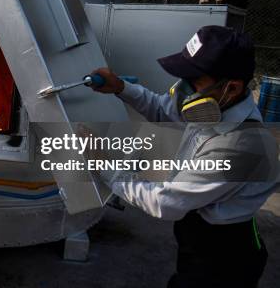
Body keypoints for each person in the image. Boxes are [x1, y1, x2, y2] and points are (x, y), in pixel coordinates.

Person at [90, 25, 278, 288]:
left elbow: (165, 202)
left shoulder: (240, 145)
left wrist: (106, 168)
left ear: (232, 88)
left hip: (224, 254)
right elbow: (161, 109)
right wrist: (120, 88)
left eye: (193, 81)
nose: (182, 89)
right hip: (199, 227)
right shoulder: (214, 104)